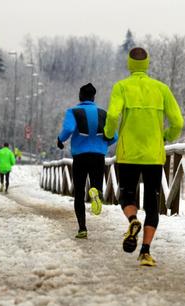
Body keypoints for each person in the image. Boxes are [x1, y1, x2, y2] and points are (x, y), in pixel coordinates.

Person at [104, 47, 184, 266]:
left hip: (128, 154)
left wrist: (109, 133)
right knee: (152, 203)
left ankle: (132, 220)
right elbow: (178, 122)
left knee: (126, 195)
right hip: (153, 156)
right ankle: (145, 252)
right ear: (147, 64)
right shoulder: (161, 89)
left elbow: (112, 114)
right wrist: (165, 136)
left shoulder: (121, 87)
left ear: (130, 64)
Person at [57, 83, 117, 239]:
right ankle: (96, 192)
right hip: (98, 156)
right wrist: (103, 144)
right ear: (93, 97)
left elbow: (69, 129)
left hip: (80, 157)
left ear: (80, 96)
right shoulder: (103, 113)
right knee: (96, 185)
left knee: (79, 192)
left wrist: (60, 140)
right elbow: (114, 136)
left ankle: (82, 228)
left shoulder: (73, 112)